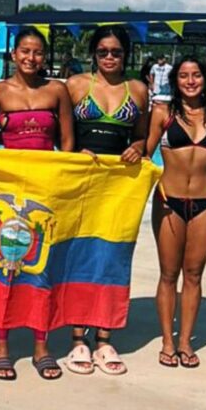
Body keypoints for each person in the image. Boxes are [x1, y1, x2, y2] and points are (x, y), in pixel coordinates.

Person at [0, 27, 74, 380]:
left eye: (37, 52)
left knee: (43, 267)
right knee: (7, 267)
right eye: (25, 51)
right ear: (14, 54)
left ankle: (41, 345)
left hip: (46, 191)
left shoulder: (57, 90)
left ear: (44, 56)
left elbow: (67, 145)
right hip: (10, 195)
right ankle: (1, 344)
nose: (31, 58)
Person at [63, 25, 149, 376]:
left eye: (116, 52)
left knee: (113, 258)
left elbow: (142, 137)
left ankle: (104, 336)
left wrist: (138, 147)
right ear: (93, 54)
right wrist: (73, 153)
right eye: (103, 52)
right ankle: (77, 337)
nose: (110, 57)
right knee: (80, 257)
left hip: (117, 186)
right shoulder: (76, 86)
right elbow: (60, 136)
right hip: (82, 182)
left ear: (126, 55)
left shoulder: (138, 90)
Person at [146, 57, 206, 369]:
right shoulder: (163, 113)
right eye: (183, 75)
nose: (190, 81)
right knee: (169, 274)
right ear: (175, 80)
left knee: (193, 274)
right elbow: (144, 154)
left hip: (205, 203)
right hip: (170, 201)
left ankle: (185, 341)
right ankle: (168, 341)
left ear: (205, 78)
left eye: (196, 75)